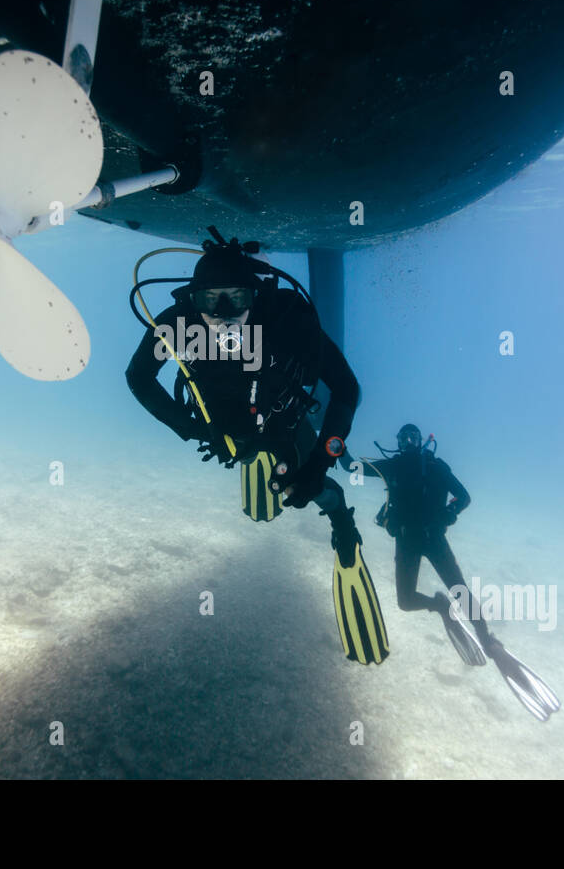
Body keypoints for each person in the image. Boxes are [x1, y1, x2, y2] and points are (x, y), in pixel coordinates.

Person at [126, 229, 388, 665]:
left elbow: (346, 388)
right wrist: (190, 428)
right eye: (212, 300)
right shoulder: (177, 323)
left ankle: (342, 521)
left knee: (310, 493)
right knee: (245, 452)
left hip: (285, 424)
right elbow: (138, 377)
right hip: (223, 430)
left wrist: (322, 463)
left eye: (237, 299)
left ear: (255, 296)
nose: (225, 312)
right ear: (194, 299)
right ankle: (253, 458)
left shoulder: (287, 321)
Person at [359, 424, 560, 720]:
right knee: (405, 601)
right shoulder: (392, 466)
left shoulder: (435, 467)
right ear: (399, 443)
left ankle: (488, 640)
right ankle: (439, 605)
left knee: (461, 592)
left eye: (413, 437)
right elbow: (353, 466)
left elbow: (463, 497)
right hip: (407, 540)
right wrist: (332, 445)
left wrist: (448, 514)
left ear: (421, 441)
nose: (409, 441)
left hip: (434, 540)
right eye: (404, 438)